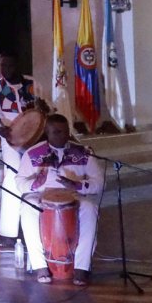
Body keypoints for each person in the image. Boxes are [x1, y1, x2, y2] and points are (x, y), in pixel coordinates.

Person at [16, 114, 103, 286]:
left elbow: (99, 182)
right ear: (47, 133)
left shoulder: (83, 153)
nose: (63, 136)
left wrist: (77, 185)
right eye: (57, 132)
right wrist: (35, 183)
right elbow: (19, 182)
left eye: (65, 132)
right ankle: (39, 265)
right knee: (28, 207)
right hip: (42, 194)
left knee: (89, 207)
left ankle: (82, 267)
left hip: (72, 193)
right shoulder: (33, 154)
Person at [0, 55, 47, 242]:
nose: (6, 69)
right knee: (12, 179)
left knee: (38, 176)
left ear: (18, 65)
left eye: (10, 65)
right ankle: (9, 232)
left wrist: (45, 108)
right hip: (11, 139)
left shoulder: (33, 84)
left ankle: (39, 226)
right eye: (4, 66)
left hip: (37, 137)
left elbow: (47, 106)